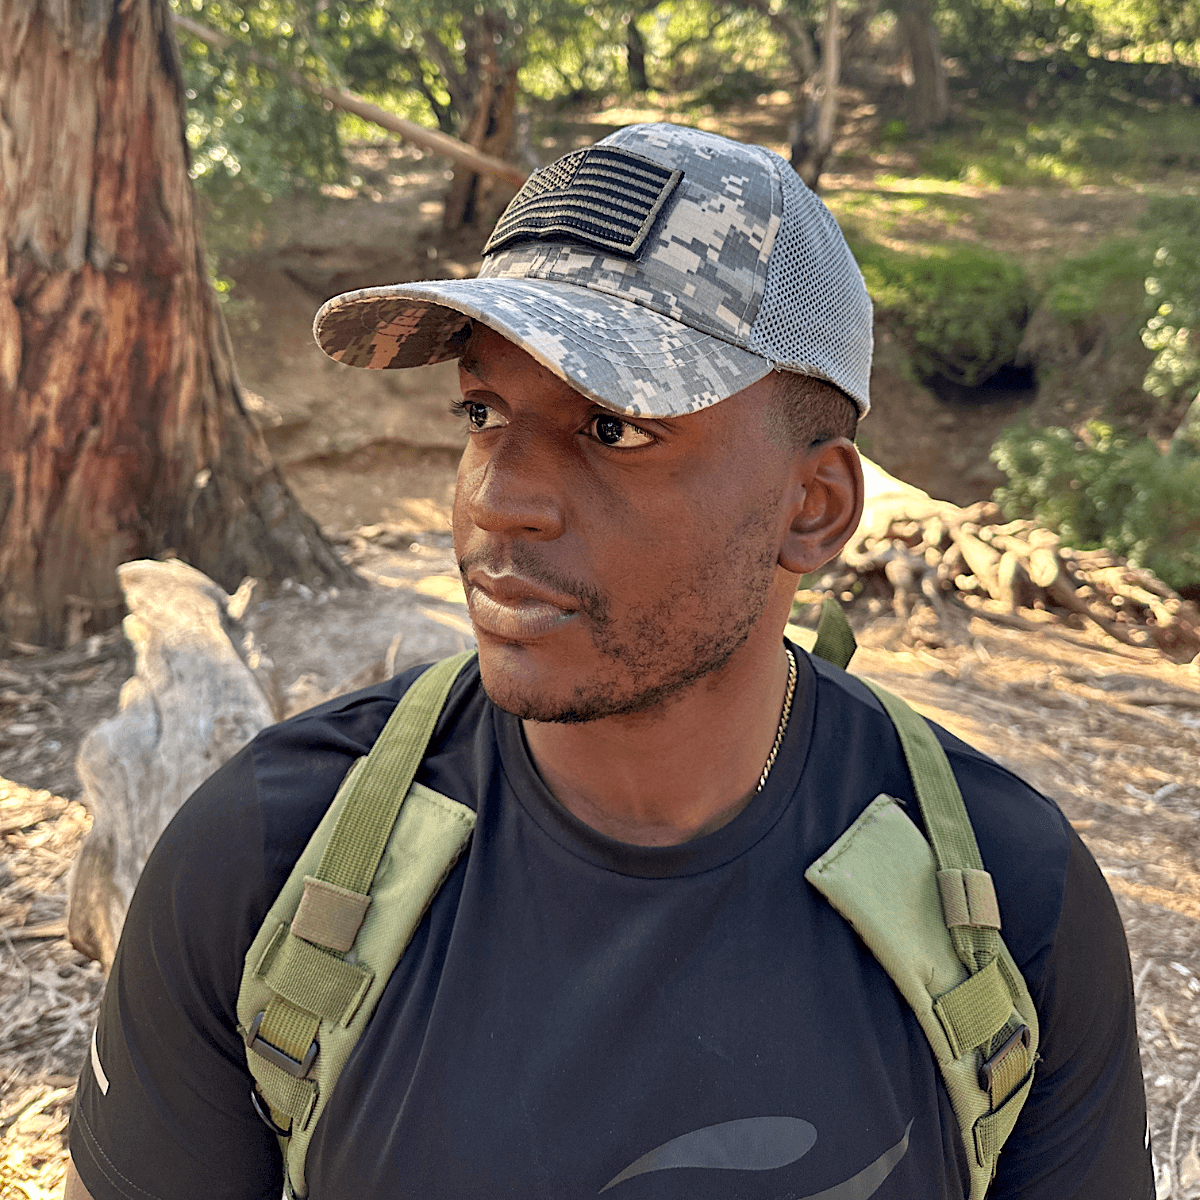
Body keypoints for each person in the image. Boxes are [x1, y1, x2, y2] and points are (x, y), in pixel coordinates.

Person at [66, 123, 1152, 1200]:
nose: (499, 498)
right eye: (483, 412)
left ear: (813, 507)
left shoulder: (1010, 910)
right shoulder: (268, 861)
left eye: (613, 429)